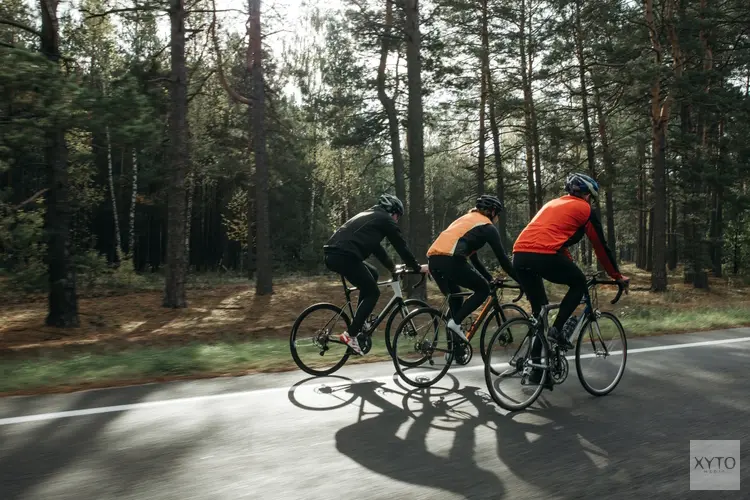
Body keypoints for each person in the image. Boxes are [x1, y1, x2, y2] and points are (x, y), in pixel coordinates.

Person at [512, 173, 629, 383]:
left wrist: (570, 263)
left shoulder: (553, 204)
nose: (590, 201)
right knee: (578, 283)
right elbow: (601, 246)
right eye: (591, 197)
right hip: (543, 255)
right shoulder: (585, 210)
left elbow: (552, 240)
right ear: (587, 195)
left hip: (519, 255)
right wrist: (617, 276)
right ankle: (557, 331)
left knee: (540, 313)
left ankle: (538, 372)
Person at [323, 194, 424, 355]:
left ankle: (359, 323)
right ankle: (350, 335)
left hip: (335, 254)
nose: (397, 220)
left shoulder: (372, 217)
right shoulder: (385, 219)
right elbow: (400, 246)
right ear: (392, 211)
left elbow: (378, 250)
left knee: (373, 275)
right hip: (344, 256)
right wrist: (416, 267)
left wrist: (392, 268)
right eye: (398, 215)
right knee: (373, 292)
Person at [427, 195, 519, 342]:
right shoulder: (487, 227)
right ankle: (455, 324)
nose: (497, 218)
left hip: (434, 260)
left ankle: (455, 350)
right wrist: (521, 281)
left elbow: (474, 259)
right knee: (482, 289)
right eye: (498, 214)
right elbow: (503, 260)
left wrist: (489, 278)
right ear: (492, 212)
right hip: (451, 259)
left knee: (456, 299)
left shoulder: (467, 220)